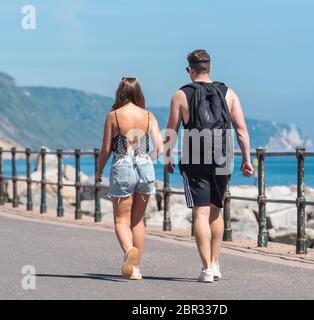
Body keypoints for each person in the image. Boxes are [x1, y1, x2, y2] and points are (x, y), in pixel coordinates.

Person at [164, 49, 254, 283]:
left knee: (200, 212)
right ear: (210, 67)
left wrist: (167, 157)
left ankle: (206, 269)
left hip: (194, 154)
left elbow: (171, 131)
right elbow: (241, 130)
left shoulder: (180, 95)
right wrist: (247, 159)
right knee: (216, 209)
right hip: (222, 155)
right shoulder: (229, 93)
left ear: (189, 70)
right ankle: (215, 264)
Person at [95, 77, 163, 280]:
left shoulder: (114, 116)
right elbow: (160, 148)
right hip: (144, 166)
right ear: (138, 93)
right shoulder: (149, 116)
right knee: (138, 221)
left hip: (123, 165)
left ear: (120, 93)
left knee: (120, 220)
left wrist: (99, 171)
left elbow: (106, 149)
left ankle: (128, 252)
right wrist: (145, 159)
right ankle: (137, 269)